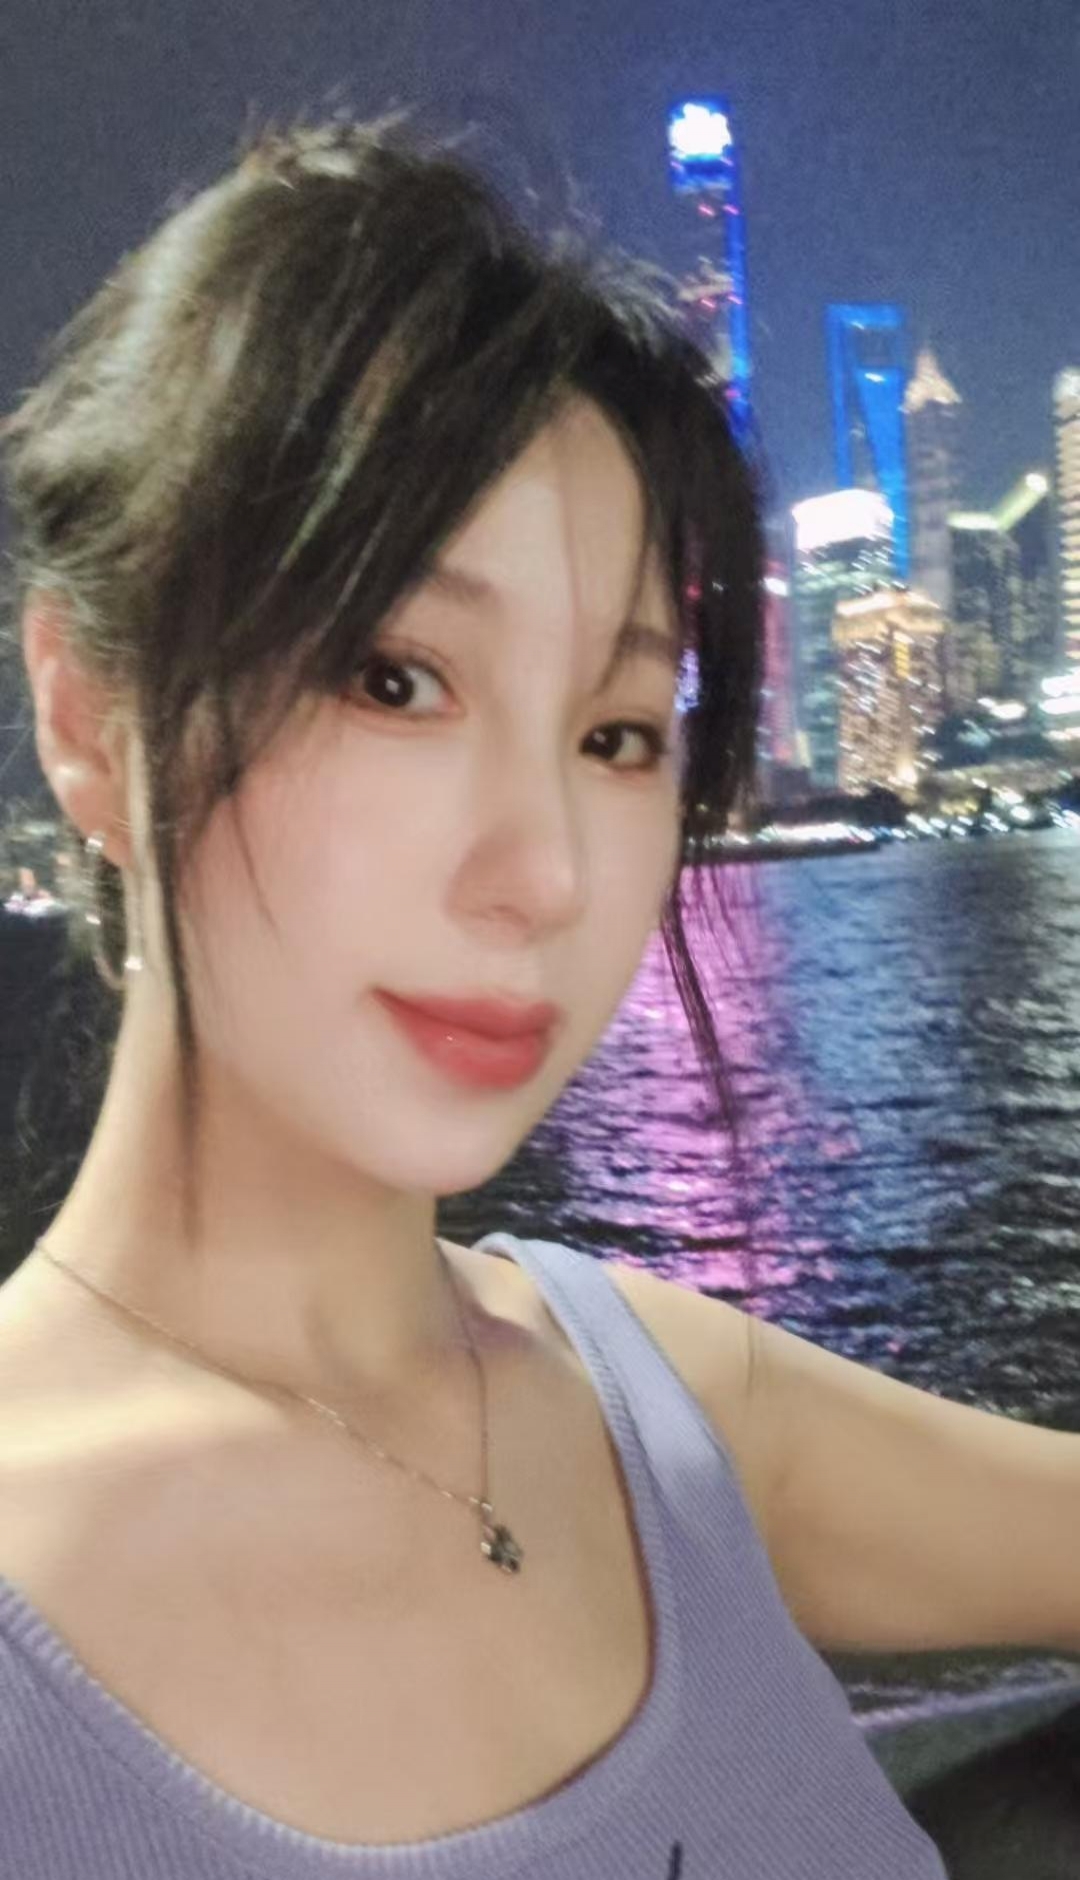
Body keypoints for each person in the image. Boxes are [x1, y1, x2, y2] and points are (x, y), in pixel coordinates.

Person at [0, 112, 951, 1876]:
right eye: (395, 677)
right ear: (85, 714)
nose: (549, 875)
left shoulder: (655, 1401)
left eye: (617, 735)